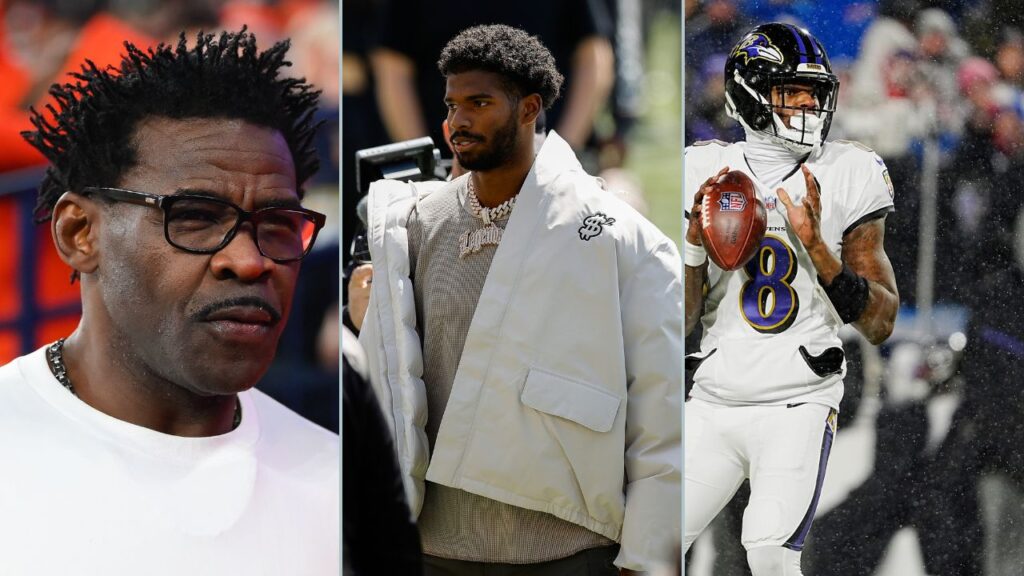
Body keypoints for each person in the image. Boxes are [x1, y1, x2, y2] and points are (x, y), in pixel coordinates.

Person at [0, 30, 338, 575]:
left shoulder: (339, 488)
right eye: (196, 217)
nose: (251, 262)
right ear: (80, 232)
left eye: (277, 225)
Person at [358, 24, 681, 575]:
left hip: (567, 551)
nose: (457, 122)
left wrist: (647, 560)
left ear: (530, 108)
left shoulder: (620, 237)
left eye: (479, 103)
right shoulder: (412, 226)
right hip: (434, 550)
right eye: (452, 104)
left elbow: (661, 415)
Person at [683, 22, 899, 576]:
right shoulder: (700, 171)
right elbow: (678, 321)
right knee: (641, 543)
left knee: (770, 553)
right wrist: (692, 250)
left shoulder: (847, 172)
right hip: (712, 394)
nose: (807, 104)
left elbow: (880, 321)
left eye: (814, 93)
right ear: (751, 96)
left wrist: (817, 251)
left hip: (797, 397)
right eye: (789, 92)